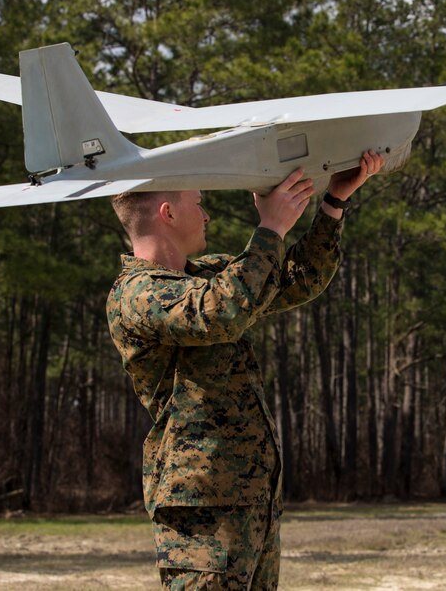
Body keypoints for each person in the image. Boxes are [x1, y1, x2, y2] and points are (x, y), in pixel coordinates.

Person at [107, 150, 384, 590]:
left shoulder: (205, 277)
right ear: (168, 213)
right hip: (202, 507)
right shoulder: (138, 294)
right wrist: (269, 228)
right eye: (198, 203)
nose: (206, 214)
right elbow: (222, 313)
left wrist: (333, 204)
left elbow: (299, 277)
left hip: (249, 498)